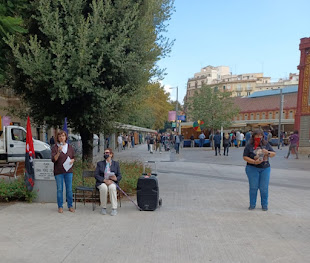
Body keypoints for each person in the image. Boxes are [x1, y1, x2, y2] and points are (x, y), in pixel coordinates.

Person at [243, 129, 276, 211]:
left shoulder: (266, 144)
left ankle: (264, 205)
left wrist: (267, 152)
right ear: (253, 136)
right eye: (257, 135)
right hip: (252, 168)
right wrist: (254, 162)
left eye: (261, 135)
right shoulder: (249, 145)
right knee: (253, 187)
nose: (259, 137)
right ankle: (252, 204)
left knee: (264, 188)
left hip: (265, 168)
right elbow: (245, 157)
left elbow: (273, 154)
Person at [51, 130, 75, 213]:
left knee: (69, 189)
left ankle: (70, 206)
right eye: (60, 136)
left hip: (68, 171)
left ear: (66, 137)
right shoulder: (55, 147)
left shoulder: (70, 147)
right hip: (59, 171)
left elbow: (73, 157)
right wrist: (58, 152)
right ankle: (60, 206)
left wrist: (72, 160)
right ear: (58, 138)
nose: (62, 137)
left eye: (63, 136)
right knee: (60, 189)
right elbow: (54, 160)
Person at [95, 148, 122, 216]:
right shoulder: (100, 164)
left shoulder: (116, 164)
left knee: (112, 187)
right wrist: (104, 180)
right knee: (104, 188)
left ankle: (114, 208)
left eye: (107, 153)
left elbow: (120, 175)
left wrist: (116, 178)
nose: (105, 154)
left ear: (111, 154)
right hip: (102, 182)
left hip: (112, 182)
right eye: (104, 153)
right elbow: (96, 175)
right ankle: (103, 207)